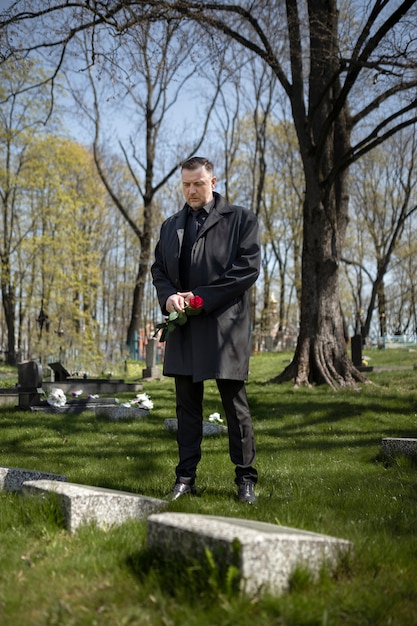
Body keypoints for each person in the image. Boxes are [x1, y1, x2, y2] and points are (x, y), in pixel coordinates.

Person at [151, 156, 260, 504]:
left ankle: (245, 479)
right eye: (186, 184)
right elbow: (159, 271)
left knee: (234, 406)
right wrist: (169, 299)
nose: (192, 190)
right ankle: (185, 478)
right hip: (183, 326)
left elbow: (246, 270)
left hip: (224, 325)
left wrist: (200, 298)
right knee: (187, 408)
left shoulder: (240, 219)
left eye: (198, 183)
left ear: (213, 181)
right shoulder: (170, 226)